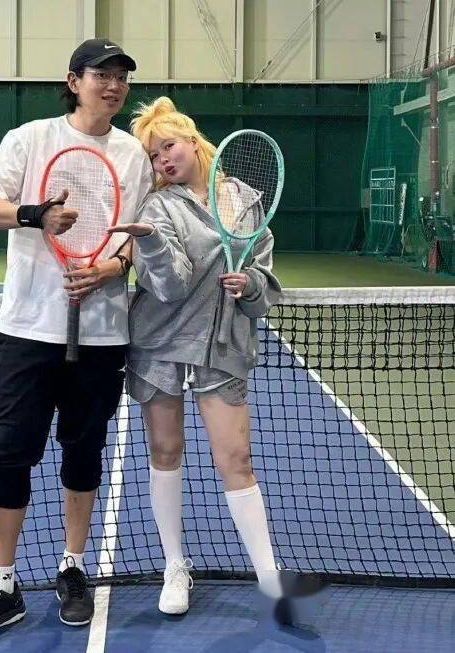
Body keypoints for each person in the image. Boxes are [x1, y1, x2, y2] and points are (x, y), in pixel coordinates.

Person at [0, 39, 153, 642]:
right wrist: (34, 214)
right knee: (11, 452)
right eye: (101, 74)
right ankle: (2, 584)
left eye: (121, 77)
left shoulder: (133, 155)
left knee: (83, 451)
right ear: (73, 81)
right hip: (27, 328)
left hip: (103, 333)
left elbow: (139, 232)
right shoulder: (29, 139)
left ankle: (73, 568)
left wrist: (113, 268)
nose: (113, 86)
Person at [109, 96, 317, 624]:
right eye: (154, 156)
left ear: (193, 140)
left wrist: (250, 285)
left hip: (223, 344)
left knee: (235, 459)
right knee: (165, 451)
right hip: (160, 342)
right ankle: (174, 566)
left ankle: (271, 581)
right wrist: (152, 244)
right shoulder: (157, 207)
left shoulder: (245, 201)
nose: (163, 160)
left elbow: (264, 280)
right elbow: (172, 287)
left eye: (168, 147)